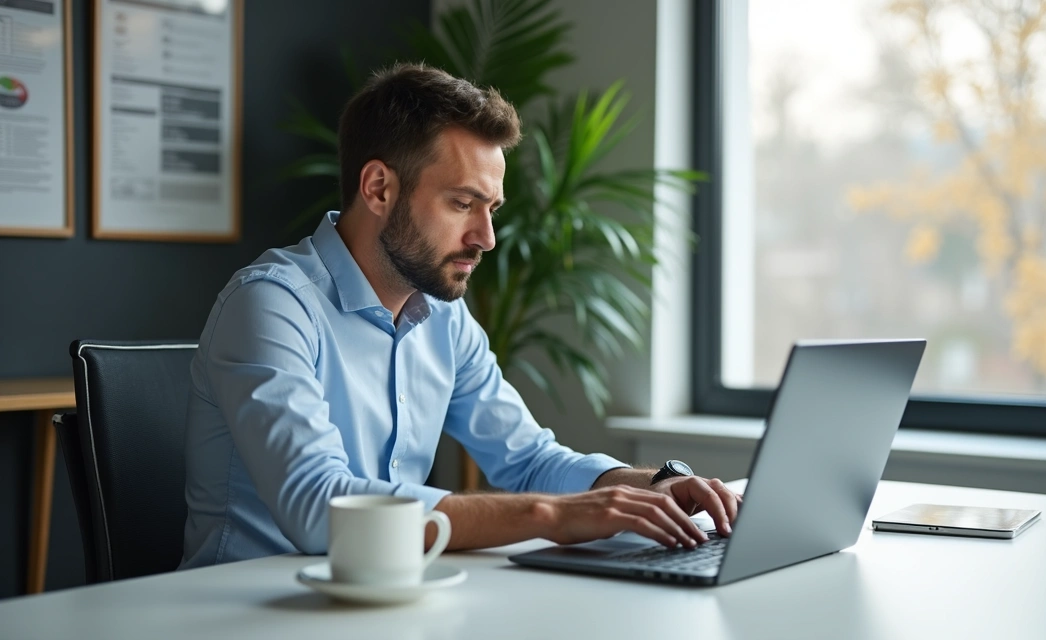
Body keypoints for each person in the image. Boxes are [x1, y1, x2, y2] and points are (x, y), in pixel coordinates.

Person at [179, 63, 739, 569]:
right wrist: (550, 515)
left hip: (387, 602)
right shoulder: (271, 304)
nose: (486, 238)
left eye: (491, 209)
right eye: (463, 203)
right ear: (378, 188)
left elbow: (529, 459)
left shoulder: (444, 317)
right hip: (244, 612)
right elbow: (318, 506)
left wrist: (648, 485)